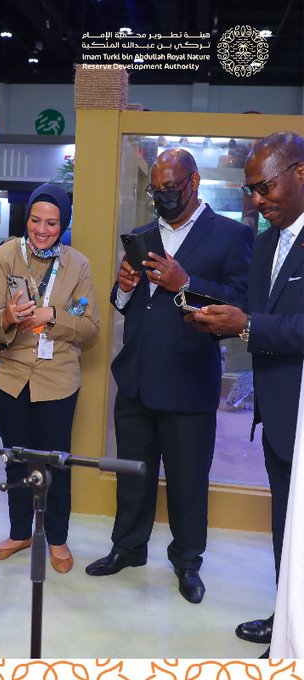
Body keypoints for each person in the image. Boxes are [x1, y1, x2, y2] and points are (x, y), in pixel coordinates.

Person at [84, 149, 254, 604]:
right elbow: (128, 306)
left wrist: (186, 283)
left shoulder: (232, 235)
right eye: (155, 191)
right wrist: (123, 289)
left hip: (189, 382)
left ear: (194, 182)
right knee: (132, 475)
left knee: (187, 482)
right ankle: (128, 548)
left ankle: (187, 562)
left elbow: (240, 303)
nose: (162, 198)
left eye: (170, 189)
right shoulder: (143, 235)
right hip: (136, 379)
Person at [187, 132, 303, 646]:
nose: (256, 200)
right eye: (250, 189)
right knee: (286, 530)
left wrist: (248, 325)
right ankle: (288, 623)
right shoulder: (264, 244)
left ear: (300, 172)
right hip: (278, 418)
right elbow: (251, 311)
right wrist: (212, 317)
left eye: (265, 187)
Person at [0, 183, 99, 574]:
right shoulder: (3, 257)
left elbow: (90, 326)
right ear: (26, 218)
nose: (42, 230)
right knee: (16, 460)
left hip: (58, 380)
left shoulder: (77, 264)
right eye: (35, 220)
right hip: (11, 377)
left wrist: (54, 317)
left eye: (52, 223)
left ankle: (57, 538)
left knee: (55, 463)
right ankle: (19, 533)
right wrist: (7, 317)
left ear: (63, 224)